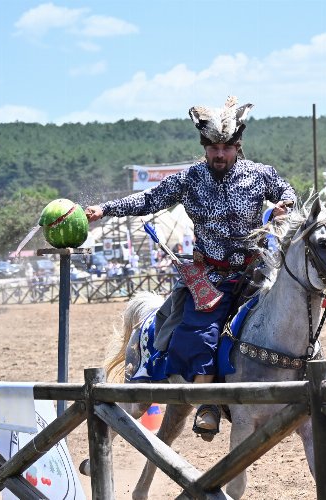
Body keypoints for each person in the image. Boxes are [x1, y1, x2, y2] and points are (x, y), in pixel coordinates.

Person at [85, 96, 295, 437]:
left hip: (256, 274)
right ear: (204, 147)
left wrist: (285, 204)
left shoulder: (261, 175)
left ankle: (296, 385)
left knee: (290, 319)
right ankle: (208, 403)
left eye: (226, 147)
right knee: (199, 337)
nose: (219, 154)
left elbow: (287, 191)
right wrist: (104, 209)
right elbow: (148, 200)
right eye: (213, 147)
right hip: (209, 280)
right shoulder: (190, 179)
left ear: (238, 146)